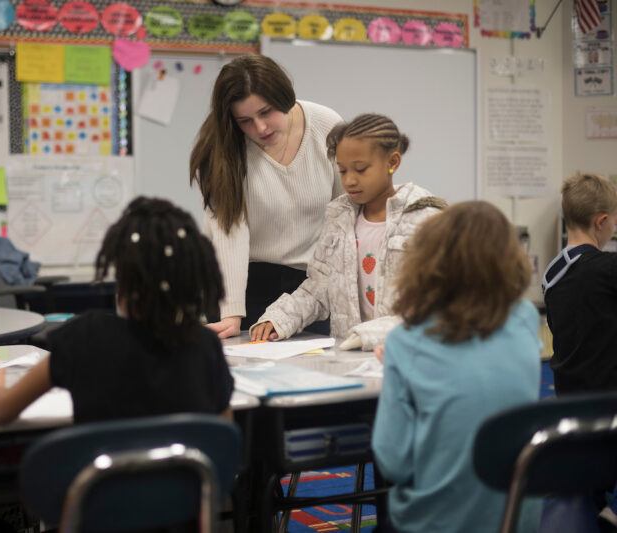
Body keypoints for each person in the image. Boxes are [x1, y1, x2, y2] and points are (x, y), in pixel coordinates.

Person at [0, 197, 234, 426]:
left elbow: (2, 410)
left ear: (123, 278)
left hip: (102, 482)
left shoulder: (86, 338)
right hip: (186, 482)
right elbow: (222, 436)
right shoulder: (204, 347)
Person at [372, 201, 542, 533]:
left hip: (434, 524)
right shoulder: (525, 319)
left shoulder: (406, 342)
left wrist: (401, 360)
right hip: (518, 519)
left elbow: (394, 462)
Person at [250, 113, 445, 349]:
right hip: (350, 355)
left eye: (360, 170)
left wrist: (371, 336)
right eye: (342, 171)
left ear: (392, 162)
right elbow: (319, 288)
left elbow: (437, 304)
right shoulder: (339, 217)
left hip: (407, 354)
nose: (350, 180)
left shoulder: (425, 218)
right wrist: (280, 319)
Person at [190, 54, 344, 339]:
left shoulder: (326, 125)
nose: (260, 128)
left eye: (266, 112)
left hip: (311, 288)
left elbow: (345, 215)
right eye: (245, 121)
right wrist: (231, 312)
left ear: (284, 96)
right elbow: (229, 235)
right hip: (243, 283)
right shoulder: (220, 150)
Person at [542, 173, 617, 394]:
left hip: (567, 394)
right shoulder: (608, 267)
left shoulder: (552, 272)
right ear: (601, 222)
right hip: (606, 402)